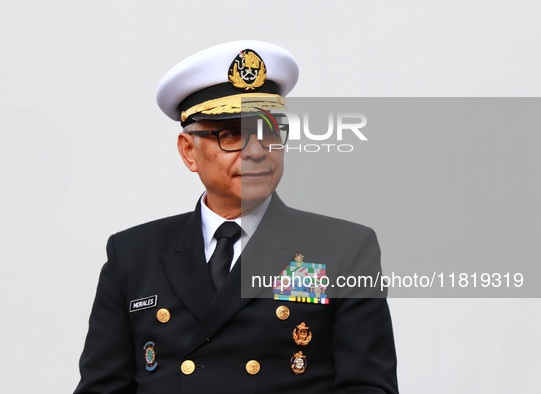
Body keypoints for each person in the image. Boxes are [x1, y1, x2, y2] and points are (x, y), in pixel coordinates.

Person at [74, 40, 398, 394]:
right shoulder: (133, 254)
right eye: (232, 134)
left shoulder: (343, 249)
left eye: (269, 132)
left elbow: (368, 386)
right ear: (189, 151)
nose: (257, 152)